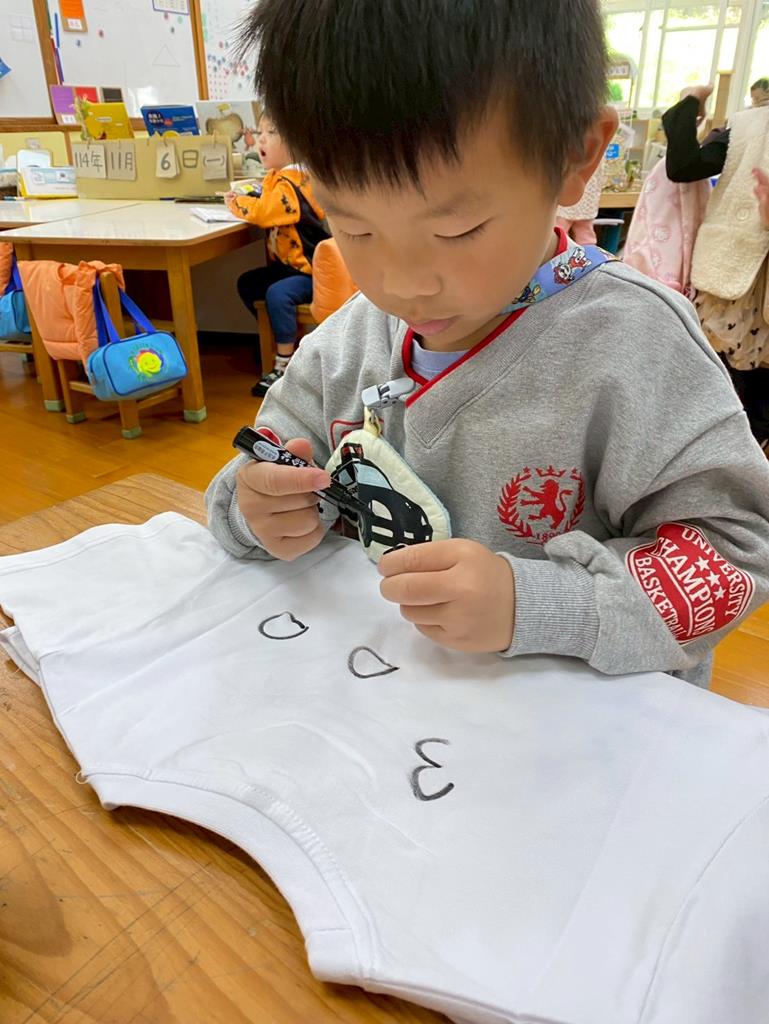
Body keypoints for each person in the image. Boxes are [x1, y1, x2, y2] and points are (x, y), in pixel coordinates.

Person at [207, 0, 769, 688]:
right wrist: (253, 509)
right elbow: (260, 465)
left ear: (575, 156)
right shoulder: (348, 340)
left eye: (457, 230)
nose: (403, 284)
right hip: (386, 708)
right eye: (354, 228)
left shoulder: (638, 345)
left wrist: (537, 602)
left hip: (583, 730)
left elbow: (735, 553)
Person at [663, 84, 769, 447]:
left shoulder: (745, 125)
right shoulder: (748, 127)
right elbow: (683, 166)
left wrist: (691, 101)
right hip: (734, 278)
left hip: (736, 278)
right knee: (728, 380)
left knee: (729, 382)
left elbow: (683, 165)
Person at [226, 115, 328, 396]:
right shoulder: (277, 176)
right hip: (288, 267)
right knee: (249, 283)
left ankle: (284, 363)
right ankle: (275, 338)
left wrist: (236, 203)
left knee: (278, 294)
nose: (261, 139)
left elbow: (265, 212)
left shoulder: (294, 181)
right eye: (259, 131)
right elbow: (265, 200)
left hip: (308, 270)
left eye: (271, 133)